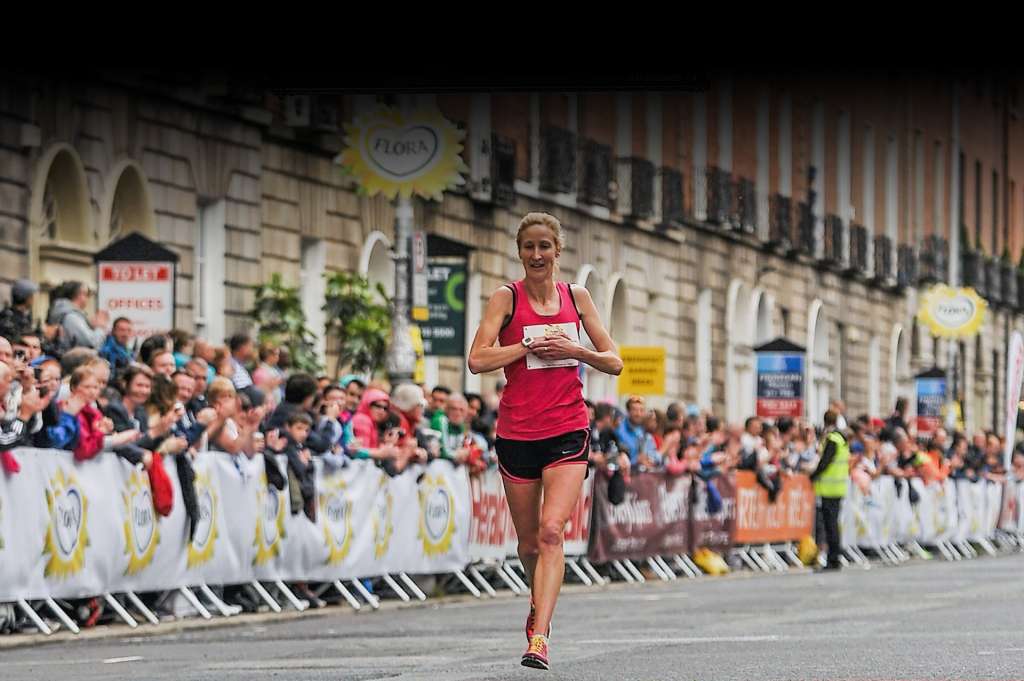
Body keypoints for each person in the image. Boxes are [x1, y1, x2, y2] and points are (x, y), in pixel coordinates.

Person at [468, 211, 622, 670]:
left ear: (558, 251)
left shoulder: (577, 297)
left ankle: (539, 637)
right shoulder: (506, 298)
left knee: (553, 531)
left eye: (545, 247)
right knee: (530, 543)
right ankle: (538, 604)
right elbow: (477, 359)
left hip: (568, 428)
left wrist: (575, 350)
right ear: (520, 252)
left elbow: (612, 361)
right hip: (517, 432)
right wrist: (525, 347)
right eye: (529, 247)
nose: (537, 255)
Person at [810, 408, 850, 571]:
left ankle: (833, 558)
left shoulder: (833, 439)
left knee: (830, 525)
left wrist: (813, 476)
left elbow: (825, 461)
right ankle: (834, 557)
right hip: (838, 487)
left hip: (829, 488)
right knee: (832, 524)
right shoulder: (841, 438)